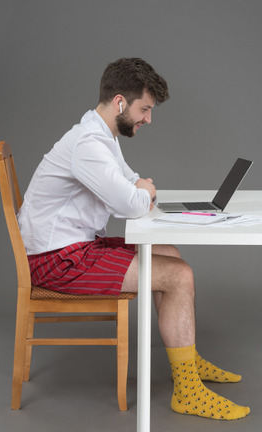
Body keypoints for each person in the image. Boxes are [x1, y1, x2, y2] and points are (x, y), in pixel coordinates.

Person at [17, 57, 250, 420]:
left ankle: (188, 361)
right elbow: (131, 203)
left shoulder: (101, 136)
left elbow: (133, 183)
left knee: (169, 253)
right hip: (58, 261)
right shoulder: (88, 145)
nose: (148, 119)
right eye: (144, 109)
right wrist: (142, 191)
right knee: (179, 275)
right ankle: (187, 393)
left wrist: (141, 190)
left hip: (75, 248)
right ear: (120, 103)